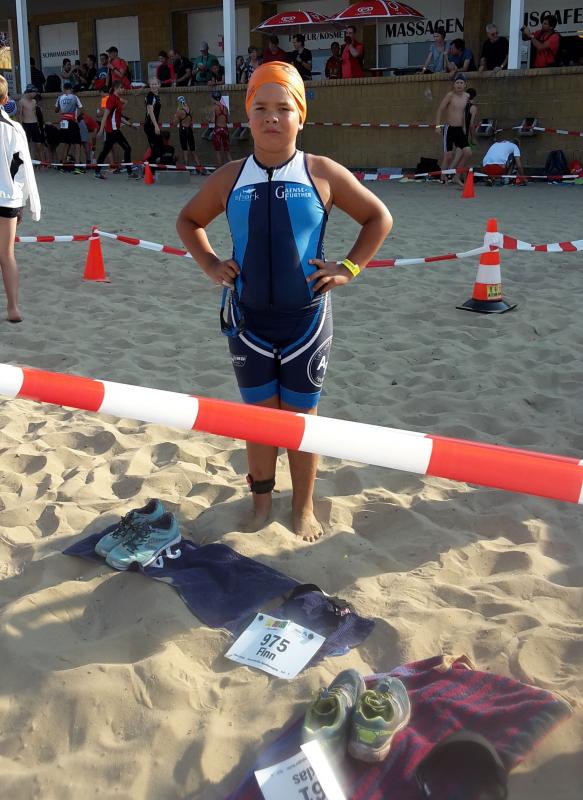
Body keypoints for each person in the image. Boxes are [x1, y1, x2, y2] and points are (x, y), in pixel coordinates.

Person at [176, 62, 393, 540]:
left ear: (301, 117)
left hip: (306, 324)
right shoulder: (230, 177)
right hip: (247, 322)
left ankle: (303, 506)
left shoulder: (321, 171)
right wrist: (210, 263)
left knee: (301, 421)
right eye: (260, 108)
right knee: (259, 420)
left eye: (283, 108)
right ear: (247, 116)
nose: (271, 117)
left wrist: (349, 267)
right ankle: (260, 505)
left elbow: (378, 218)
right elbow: (189, 221)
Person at [0, 74, 40, 323]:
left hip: (7, 196)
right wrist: (24, 202)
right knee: (7, 254)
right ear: (6, 100)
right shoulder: (15, 129)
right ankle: (13, 308)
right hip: (9, 198)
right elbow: (25, 170)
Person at [435, 73, 472, 186]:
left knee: (468, 152)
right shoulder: (450, 96)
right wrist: (437, 126)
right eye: (457, 83)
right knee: (448, 156)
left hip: (459, 129)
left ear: (465, 85)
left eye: (461, 83)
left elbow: (464, 114)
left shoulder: (467, 96)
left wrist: (465, 128)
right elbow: (440, 109)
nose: (459, 85)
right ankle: (443, 178)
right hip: (449, 129)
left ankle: (456, 176)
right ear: (454, 85)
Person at [95, 81, 136, 180]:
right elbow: (105, 115)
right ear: (116, 88)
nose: (123, 90)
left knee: (105, 151)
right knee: (127, 148)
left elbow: (118, 116)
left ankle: (97, 172)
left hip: (114, 130)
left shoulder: (117, 99)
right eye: (121, 88)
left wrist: (129, 124)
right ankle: (130, 172)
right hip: (113, 130)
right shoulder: (111, 99)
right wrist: (101, 130)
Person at [54, 81, 83, 169]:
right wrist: (78, 118)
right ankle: (77, 166)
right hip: (72, 121)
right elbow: (81, 108)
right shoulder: (74, 97)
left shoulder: (60, 97)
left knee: (66, 143)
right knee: (77, 144)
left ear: (64, 89)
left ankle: (63, 165)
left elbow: (56, 110)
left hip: (63, 122)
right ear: (71, 89)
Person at [173, 96, 203, 173]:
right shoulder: (189, 109)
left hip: (183, 130)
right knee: (193, 149)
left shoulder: (179, 111)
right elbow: (191, 120)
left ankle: (186, 167)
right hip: (189, 129)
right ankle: (200, 166)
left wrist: (176, 114)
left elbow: (174, 123)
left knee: (185, 149)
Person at [18, 84, 44, 161]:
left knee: (39, 145)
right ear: (30, 92)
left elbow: (35, 114)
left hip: (35, 124)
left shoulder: (34, 101)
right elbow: (19, 115)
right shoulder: (22, 101)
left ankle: (42, 163)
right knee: (27, 145)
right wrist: (20, 127)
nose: (35, 94)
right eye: (34, 93)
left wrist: (39, 125)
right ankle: (27, 162)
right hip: (26, 125)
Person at [209, 90, 231, 166]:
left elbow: (212, 121)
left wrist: (208, 119)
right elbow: (228, 121)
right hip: (225, 130)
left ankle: (220, 168)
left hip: (218, 130)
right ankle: (233, 168)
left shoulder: (214, 108)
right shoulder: (225, 108)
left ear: (213, 98)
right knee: (227, 151)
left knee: (217, 151)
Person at [144, 77, 163, 164]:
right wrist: (156, 126)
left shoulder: (156, 96)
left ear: (159, 85)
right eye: (152, 84)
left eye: (155, 84)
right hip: (150, 125)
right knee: (156, 148)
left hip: (153, 124)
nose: (154, 86)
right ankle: (148, 166)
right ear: (149, 85)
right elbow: (150, 112)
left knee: (159, 146)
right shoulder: (150, 96)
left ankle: (152, 166)